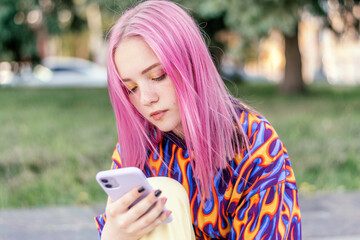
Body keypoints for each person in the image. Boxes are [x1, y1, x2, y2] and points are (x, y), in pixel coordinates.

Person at [94, 0, 302, 239]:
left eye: (158, 75)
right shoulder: (139, 144)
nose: (146, 99)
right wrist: (114, 234)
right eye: (130, 88)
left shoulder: (253, 142)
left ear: (190, 64)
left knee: (167, 193)